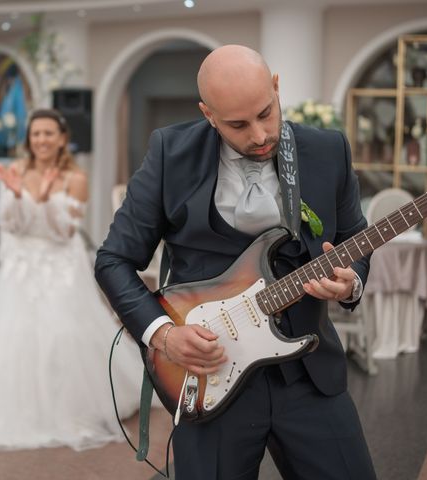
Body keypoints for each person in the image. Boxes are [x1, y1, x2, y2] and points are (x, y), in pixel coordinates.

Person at [96, 45, 377, 479]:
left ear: (276, 87)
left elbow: (355, 235)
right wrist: (164, 336)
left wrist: (350, 281)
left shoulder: (327, 149)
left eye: (267, 112)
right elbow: (113, 260)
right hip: (208, 374)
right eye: (238, 124)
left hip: (309, 372)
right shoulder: (171, 152)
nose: (260, 134)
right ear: (208, 113)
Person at [0, 109, 143, 451]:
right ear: (29, 138)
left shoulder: (75, 177)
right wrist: (21, 197)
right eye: (36, 134)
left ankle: (69, 403)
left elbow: (64, 230)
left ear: (62, 138)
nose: (41, 140)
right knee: (16, 335)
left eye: (49, 133)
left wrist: (44, 200)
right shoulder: (16, 170)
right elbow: (12, 226)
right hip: (22, 266)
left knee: (63, 334)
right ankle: (18, 401)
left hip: (60, 265)